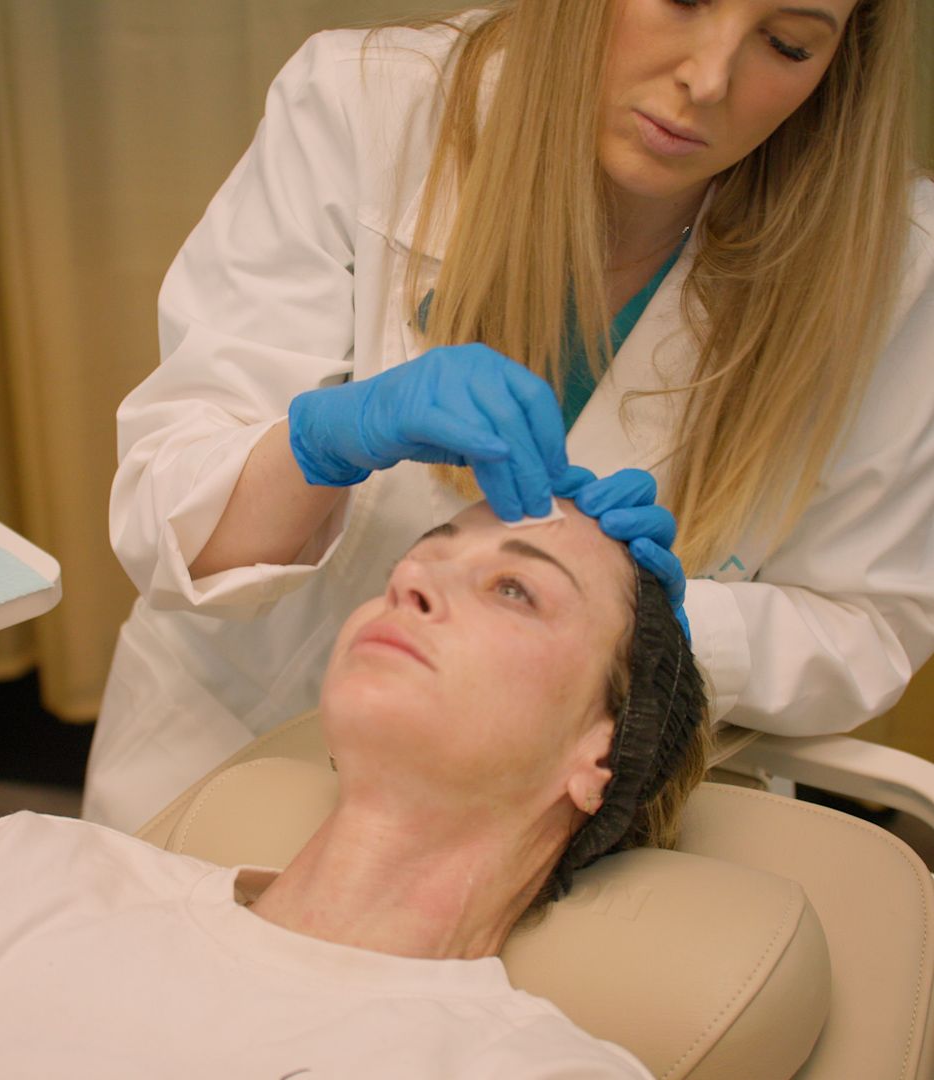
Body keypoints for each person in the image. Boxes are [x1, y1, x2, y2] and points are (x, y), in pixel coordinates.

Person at [85, 0, 934, 832]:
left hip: (554, 822)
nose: (707, 81)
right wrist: (323, 442)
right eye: (680, 1)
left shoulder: (892, 263)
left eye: (785, 44)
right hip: (237, 747)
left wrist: (660, 624)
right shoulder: (366, 105)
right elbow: (173, 517)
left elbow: (869, 626)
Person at [0, 501, 708, 1080]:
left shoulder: (532, 1071)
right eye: (417, 562)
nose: (410, 584)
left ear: (603, 749)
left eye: (513, 590)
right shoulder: (15, 866)